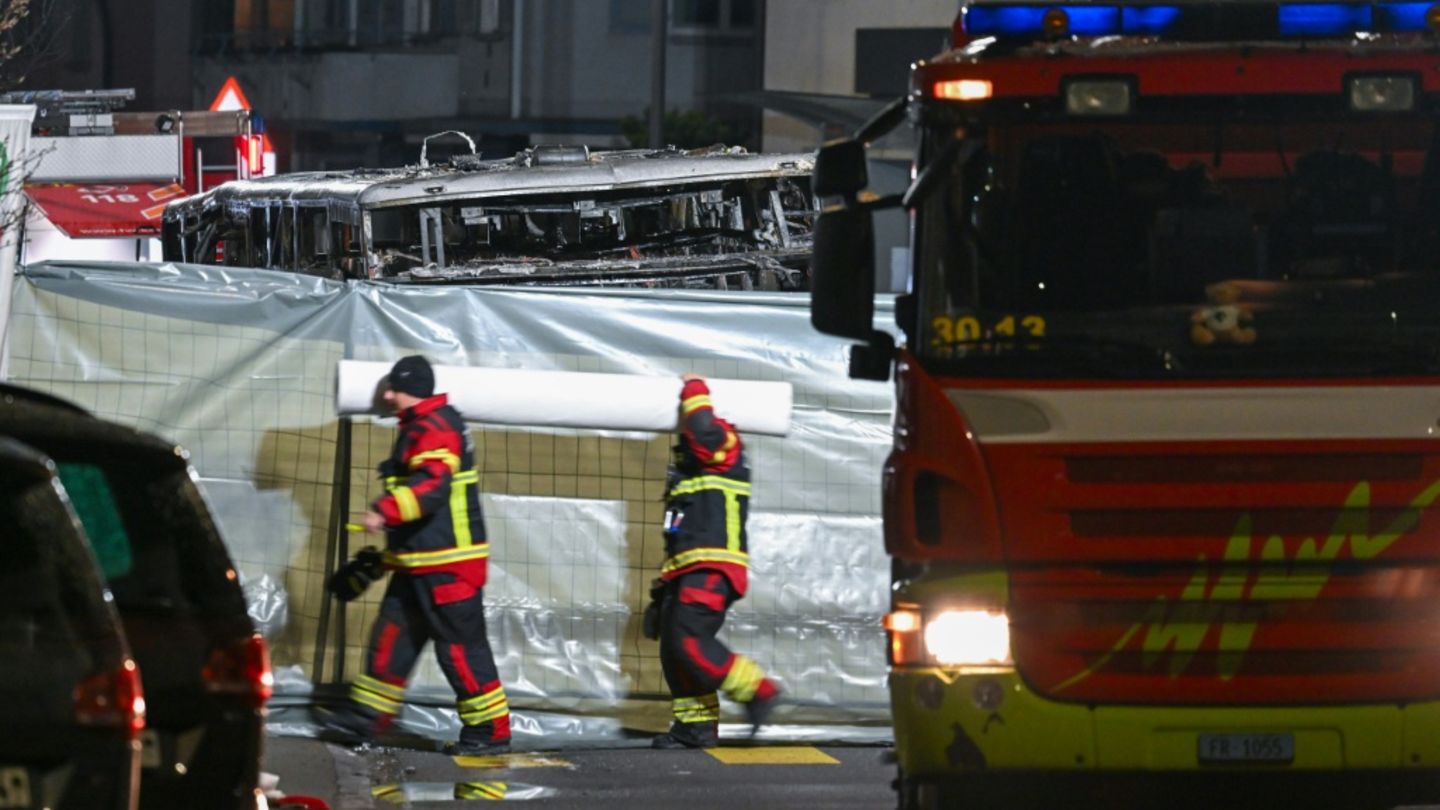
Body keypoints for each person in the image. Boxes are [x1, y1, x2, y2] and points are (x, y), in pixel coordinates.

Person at [323, 355, 510, 754]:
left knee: (460, 651)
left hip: (449, 568)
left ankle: (490, 732)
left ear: (412, 389)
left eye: (393, 389)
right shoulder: (424, 425)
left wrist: (382, 512)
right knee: (391, 641)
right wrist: (387, 558)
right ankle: (366, 721)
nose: (387, 396)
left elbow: (432, 488)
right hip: (420, 565)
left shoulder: (435, 426)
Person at [650, 372, 782, 749]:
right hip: (688, 571)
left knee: (689, 642)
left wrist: (694, 389)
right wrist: (664, 586)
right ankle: (696, 728)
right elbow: (682, 529)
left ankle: (760, 690)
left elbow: (704, 428)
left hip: (711, 569)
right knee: (674, 649)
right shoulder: (690, 470)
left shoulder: (725, 443)